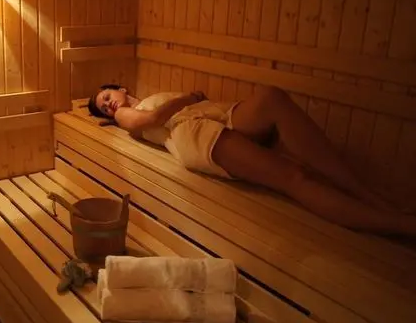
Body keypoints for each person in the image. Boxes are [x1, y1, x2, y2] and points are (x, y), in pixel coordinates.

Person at [88, 84, 416, 237]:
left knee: (272, 97)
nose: (109, 106)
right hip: (190, 133)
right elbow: (152, 119)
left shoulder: (147, 95)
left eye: (107, 97)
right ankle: (400, 224)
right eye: (104, 108)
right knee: (293, 176)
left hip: (208, 112)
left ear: (121, 87)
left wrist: (195, 101)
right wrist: (190, 96)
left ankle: (364, 193)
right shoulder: (127, 115)